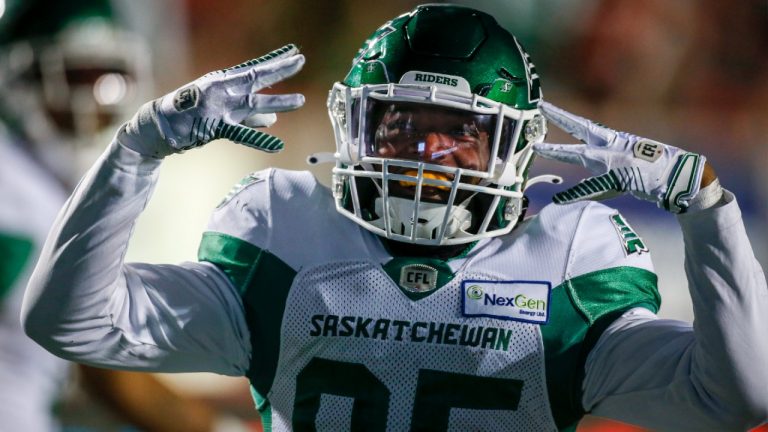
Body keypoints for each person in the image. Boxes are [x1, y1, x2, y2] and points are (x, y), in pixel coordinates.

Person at [21, 3, 767, 431]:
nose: (427, 151)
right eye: (401, 124)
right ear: (357, 129)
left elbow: (738, 396)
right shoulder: (286, 235)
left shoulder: (569, 263)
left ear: (511, 147)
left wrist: (708, 207)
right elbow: (72, 325)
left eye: (459, 132)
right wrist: (133, 154)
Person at [0, 1, 240, 431]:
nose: (90, 104)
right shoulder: (16, 191)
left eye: (107, 79)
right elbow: (108, 374)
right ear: (15, 80)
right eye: (72, 78)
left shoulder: (39, 184)